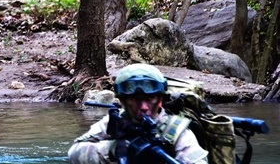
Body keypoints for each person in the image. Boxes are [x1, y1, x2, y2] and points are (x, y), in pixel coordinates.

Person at [67, 63, 209, 164]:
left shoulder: (176, 132)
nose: (143, 107)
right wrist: (114, 149)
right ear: (122, 101)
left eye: (150, 99)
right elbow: (74, 153)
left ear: (160, 100)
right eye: (134, 100)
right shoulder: (117, 122)